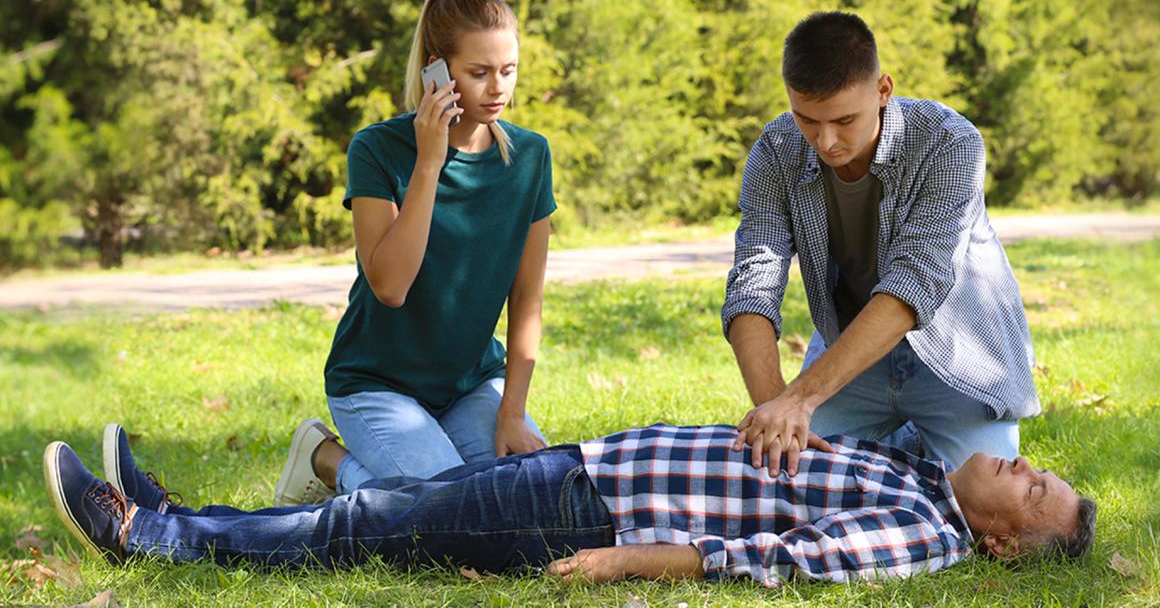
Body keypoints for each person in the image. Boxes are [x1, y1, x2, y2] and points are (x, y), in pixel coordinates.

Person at [47, 422, 1095, 587]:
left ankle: (153, 537)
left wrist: (619, 561)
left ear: (999, 542)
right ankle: (184, 515)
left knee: (360, 523)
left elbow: (777, 556)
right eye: (1031, 466)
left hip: (589, 512)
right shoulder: (919, 475)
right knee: (386, 504)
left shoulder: (918, 532)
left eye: (1030, 487)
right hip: (593, 464)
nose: (1017, 466)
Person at [274, 0, 556, 506]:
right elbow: (390, 287)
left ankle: (376, 467)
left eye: (508, 70)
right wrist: (429, 162)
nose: (497, 88)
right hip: (376, 384)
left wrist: (512, 412)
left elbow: (527, 300)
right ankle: (328, 462)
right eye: (478, 73)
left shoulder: (530, 157)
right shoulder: (377, 149)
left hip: (471, 384)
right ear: (437, 71)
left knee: (532, 501)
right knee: (450, 513)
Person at [723, 11, 1039, 476]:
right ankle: (895, 446)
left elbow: (914, 284)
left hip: (958, 359)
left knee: (982, 507)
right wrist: (778, 411)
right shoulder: (776, 150)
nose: (825, 141)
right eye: (807, 119)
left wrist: (802, 396)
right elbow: (754, 281)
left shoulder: (949, 143)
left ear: (883, 90)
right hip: (850, 354)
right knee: (777, 475)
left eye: (844, 120)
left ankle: (904, 444)